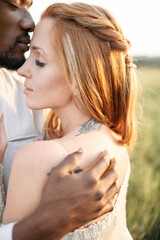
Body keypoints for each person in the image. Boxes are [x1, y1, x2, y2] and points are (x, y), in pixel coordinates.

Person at [2, 2, 138, 239]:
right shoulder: (115, 137)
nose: (23, 71)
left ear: (79, 75)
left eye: (40, 61)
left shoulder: (37, 157)